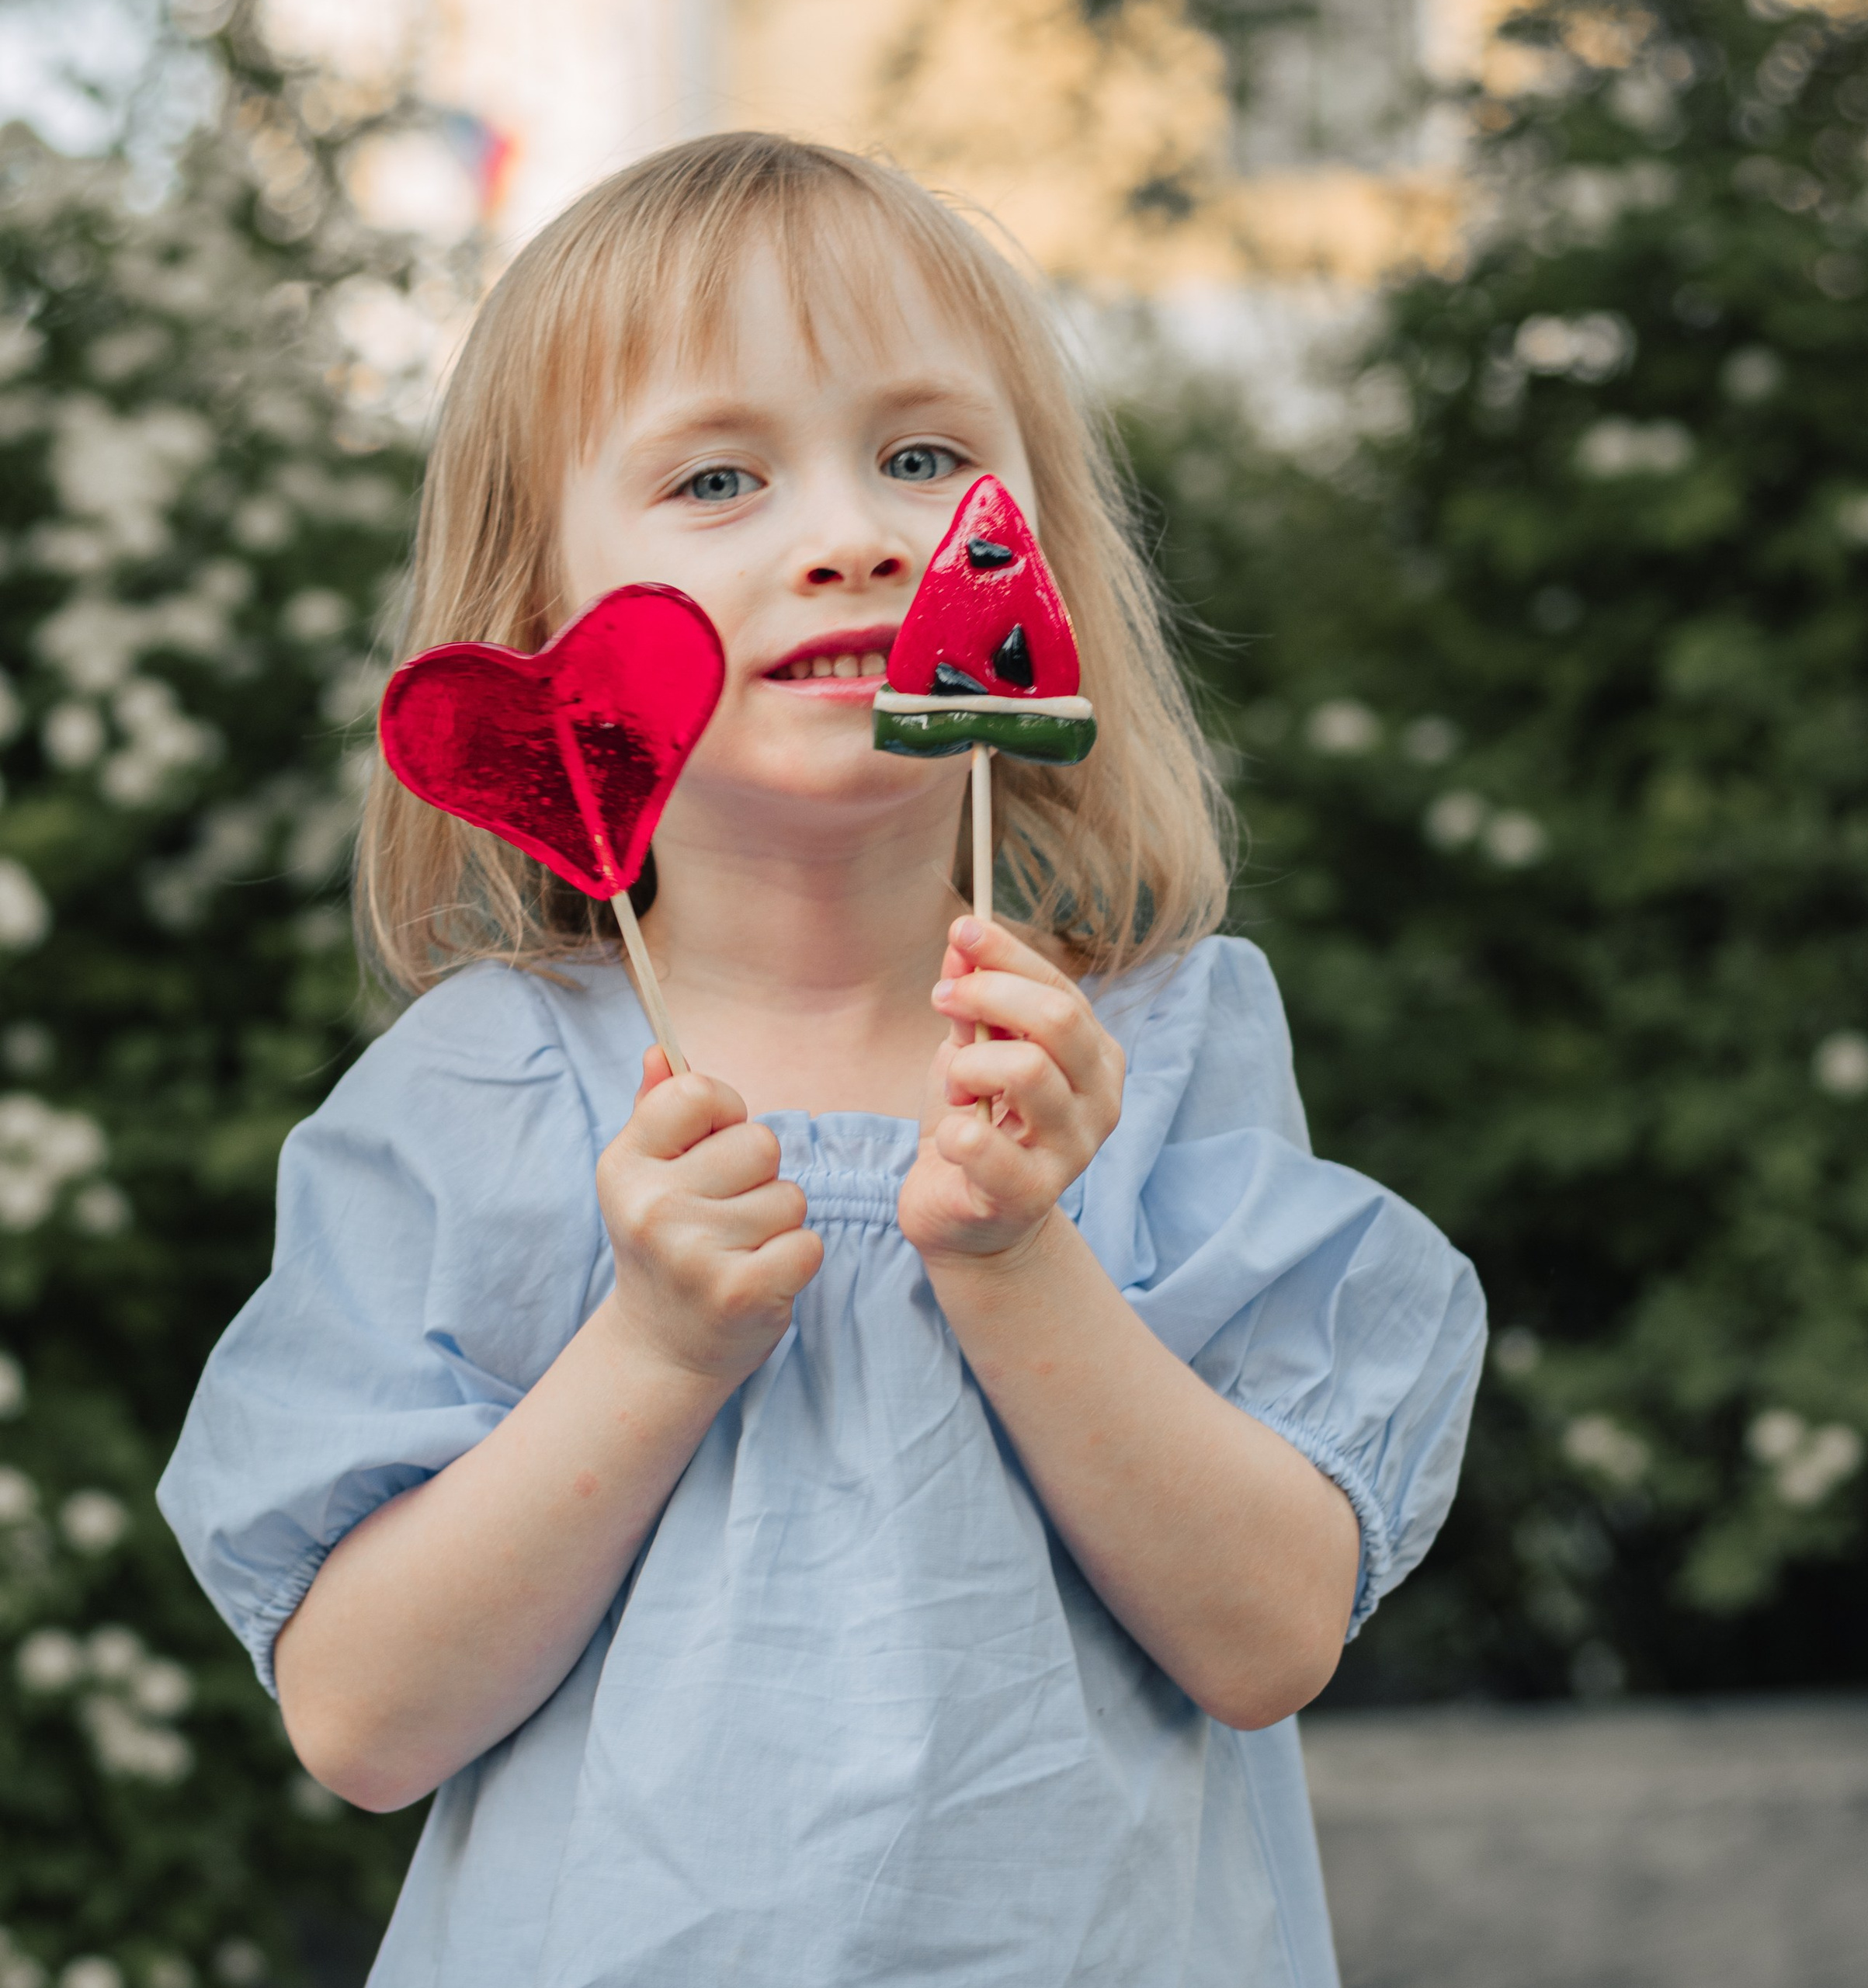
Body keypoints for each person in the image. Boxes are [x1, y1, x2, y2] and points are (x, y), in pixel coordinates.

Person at [159, 132, 1486, 1988]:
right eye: (717, 474)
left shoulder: (1158, 1053)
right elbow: (363, 1721)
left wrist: (1019, 1256)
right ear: (542, 620)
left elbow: (1266, 1633)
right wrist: (656, 1341)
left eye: (925, 457)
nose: (852, 529)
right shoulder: (484, 1095)